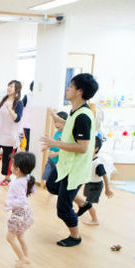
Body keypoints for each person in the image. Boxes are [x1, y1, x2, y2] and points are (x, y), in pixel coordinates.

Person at [40, 73, 98, 247]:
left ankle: (75, 236)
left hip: (74, 169)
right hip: (65, 165)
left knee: (63, 209)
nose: (68, 89)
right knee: (51, 185)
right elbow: (71, 127)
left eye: (71, 86)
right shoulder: (76, 111)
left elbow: (82, 147)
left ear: (80, 91)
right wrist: (56, 118)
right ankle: (83, 203)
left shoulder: (83, 116)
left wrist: (54, 142)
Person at [0, 80, 24, 186]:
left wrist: (10, 109)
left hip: (10, 137)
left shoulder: (19, 103)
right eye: (8, 86)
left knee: (7, 163)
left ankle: (7, 179)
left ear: (17, 89)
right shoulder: (5, 99)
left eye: (11, 86)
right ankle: (1, 153)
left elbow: (17, 118)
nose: (9, 88)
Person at [5, 152, 36, 268]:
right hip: (27, 213)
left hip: (19, 214)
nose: (11, 166)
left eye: (12, 164)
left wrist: (7, 203)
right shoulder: (27, 178)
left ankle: (22, 258)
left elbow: (22, 201)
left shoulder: (16, 183)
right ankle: (25, 257)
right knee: (20, 237)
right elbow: (33, 190)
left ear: (17, 169)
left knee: (9, 238)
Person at [74, 136, 114, 225]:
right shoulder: (88, 160)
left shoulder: (98, 163)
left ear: (96, 149)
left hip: (96, 186)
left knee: (88, 203)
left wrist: (107, 189)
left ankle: (95, 219)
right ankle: (83, 209)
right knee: (85, 200)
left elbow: (105, 176)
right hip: (89, 183)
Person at [42, 110, 68, 181]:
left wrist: (55, 154)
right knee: (46, 177)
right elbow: (53, 143)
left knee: (55, 180)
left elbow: (66, 150)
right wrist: (46, 147)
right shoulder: (57, 132)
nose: (56, 125)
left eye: (58, 122)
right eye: (55, 122)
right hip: (50, 160)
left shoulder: (66, 135)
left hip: (58, 162)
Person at [21, 81, 34, 151]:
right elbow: (20, 107)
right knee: (28, 141)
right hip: (27, 124)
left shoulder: (40, 98)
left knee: (33, 141)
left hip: (35, 124)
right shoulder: (27, 96)